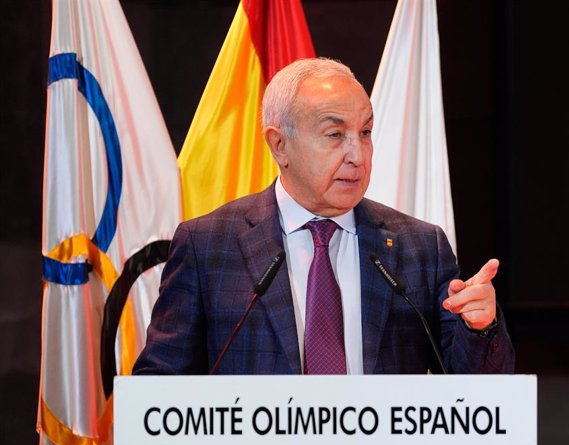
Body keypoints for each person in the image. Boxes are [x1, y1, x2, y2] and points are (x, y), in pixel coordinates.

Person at [133, 58, 514, 376]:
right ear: (279, 144)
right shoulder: (209, 247)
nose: (358, 155)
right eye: (335, 134)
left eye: (365, 132)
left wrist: (480, 327)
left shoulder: (419, 246)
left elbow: (474, 393)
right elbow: (159, 389)